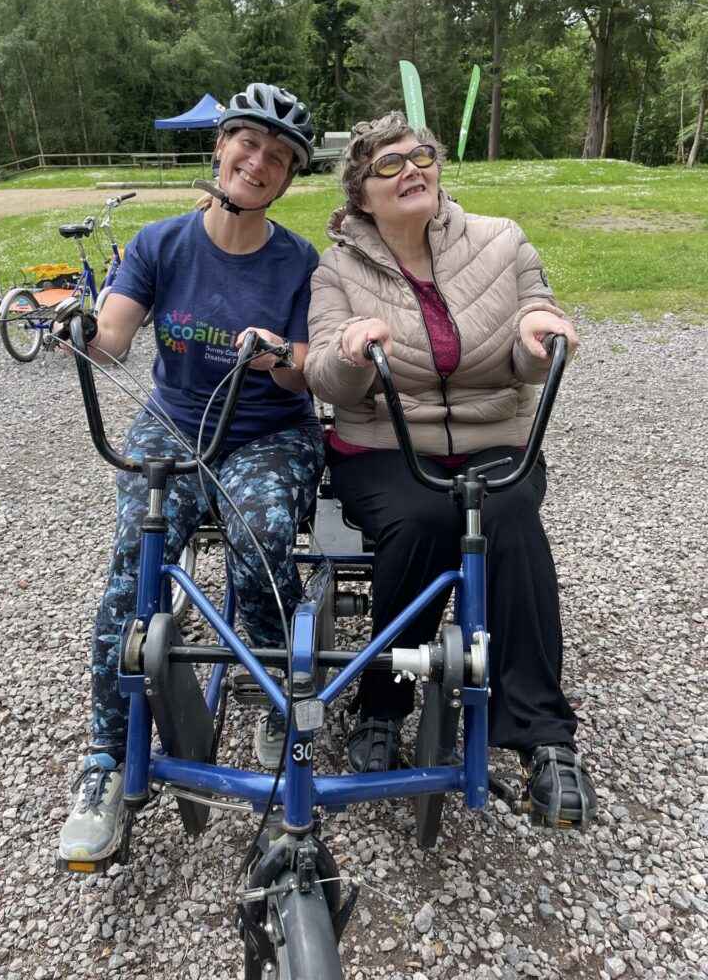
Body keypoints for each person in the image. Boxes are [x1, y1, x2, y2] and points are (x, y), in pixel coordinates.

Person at [304, 111, 597, 827]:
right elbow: (321, 371)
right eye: (389, 164)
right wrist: (348, 352)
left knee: (506, 515)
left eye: (421, 156)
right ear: (361, 195)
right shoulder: (336, 267)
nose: (412, 169)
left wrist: (538, 338)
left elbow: (531, 330)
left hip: (495, 435)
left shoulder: (501, 240)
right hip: (382, 444)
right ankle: (382, 705)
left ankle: (542, 736)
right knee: (424, 519)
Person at [59, 83, 326, 863]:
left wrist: (278, 352)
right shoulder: (160, 243)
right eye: (248, 145)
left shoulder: (298, 261)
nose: (258, 162)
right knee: (132, 563)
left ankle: (275, 678)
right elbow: (111, 339)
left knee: (262, 529)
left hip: (269, 432)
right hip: (174, 420)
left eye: (276, 159)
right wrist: (80, 329)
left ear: (285, 180)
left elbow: (303, 373)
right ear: (220, 147)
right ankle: (107, 758)